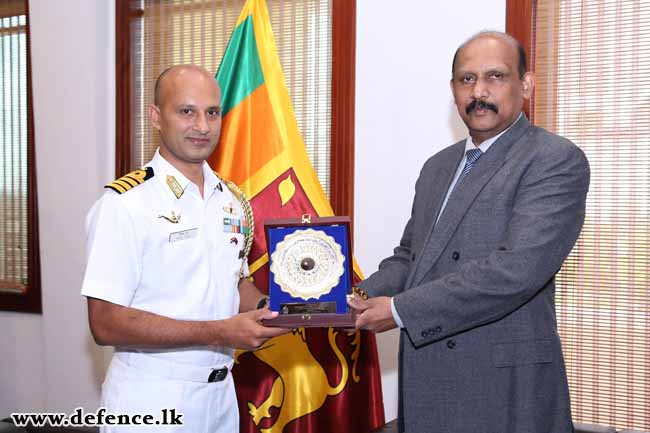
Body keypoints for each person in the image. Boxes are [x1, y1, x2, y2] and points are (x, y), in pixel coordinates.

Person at [349, 31, 590, 433]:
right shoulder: (437, 167)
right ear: (453, 90)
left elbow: (514, 271)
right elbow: (411, 257)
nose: (479, 91)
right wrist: (353, 297)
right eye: (466, 79)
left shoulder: (553, 159)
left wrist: (398, 310)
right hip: (428, 381)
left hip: (502, 390)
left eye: (495, 77)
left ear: (525, 85)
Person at [81, 65, 287, 433]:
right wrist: (221, 331)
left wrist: (276, 311)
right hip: (151, 398)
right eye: (187, 111)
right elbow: (105, 322)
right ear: (157, 117)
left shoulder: (232, 200)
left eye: (212, 112)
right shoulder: (125, 204)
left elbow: (235, 283)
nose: (203, 126)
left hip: (221, 396)